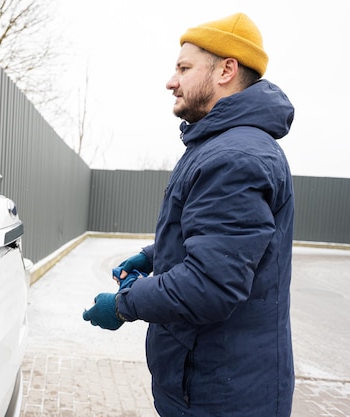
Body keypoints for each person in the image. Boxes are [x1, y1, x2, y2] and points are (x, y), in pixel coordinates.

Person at [82, 12, 295, 417]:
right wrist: (154, 256)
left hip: (223, 396)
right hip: (213, 383)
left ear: (226, 71)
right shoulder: (221, 145)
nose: (171, 80)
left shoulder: (234, 157)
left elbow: (210, 285)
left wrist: (124, 303)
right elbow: (219, 240)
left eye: (183, 68)